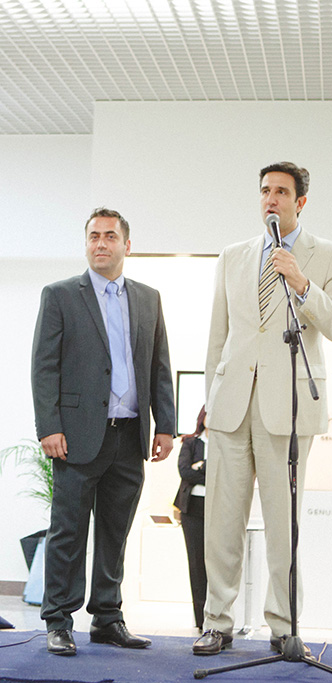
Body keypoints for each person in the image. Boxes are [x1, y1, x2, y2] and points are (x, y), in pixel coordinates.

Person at [193, 162, 332, 656]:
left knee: (283, 525)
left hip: (287, 409)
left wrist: (302, 284)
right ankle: (216, 621)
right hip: (231, 407)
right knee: (221, 522)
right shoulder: (232, 256)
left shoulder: (328, 256)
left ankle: (283, 625)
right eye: (265, 190)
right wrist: (212, 398)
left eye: (281, 191)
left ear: (300, 202)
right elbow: (218, 337)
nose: (271, 199)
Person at [31, 208, 175, 656]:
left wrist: (166, 426)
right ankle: (59, 620)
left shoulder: (148, 298)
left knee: (115, 533)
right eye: (94, 236)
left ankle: (108, 618)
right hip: (76, 437)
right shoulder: (60, 296)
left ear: (126, 245)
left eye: (110, 236)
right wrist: (49, 427)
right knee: (68, 533)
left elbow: (159, 365)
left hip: (129, 435)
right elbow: (44, 366)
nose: (100, 243)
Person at [173, 406, 208, 630]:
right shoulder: (191, 443)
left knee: (218, 563)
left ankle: (218, 617)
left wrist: (201, 467)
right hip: (192, 508)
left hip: (218, 507)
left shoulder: (226, 444)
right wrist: (208, 472)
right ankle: (200, 619)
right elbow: (185, 472)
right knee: (196, 562)